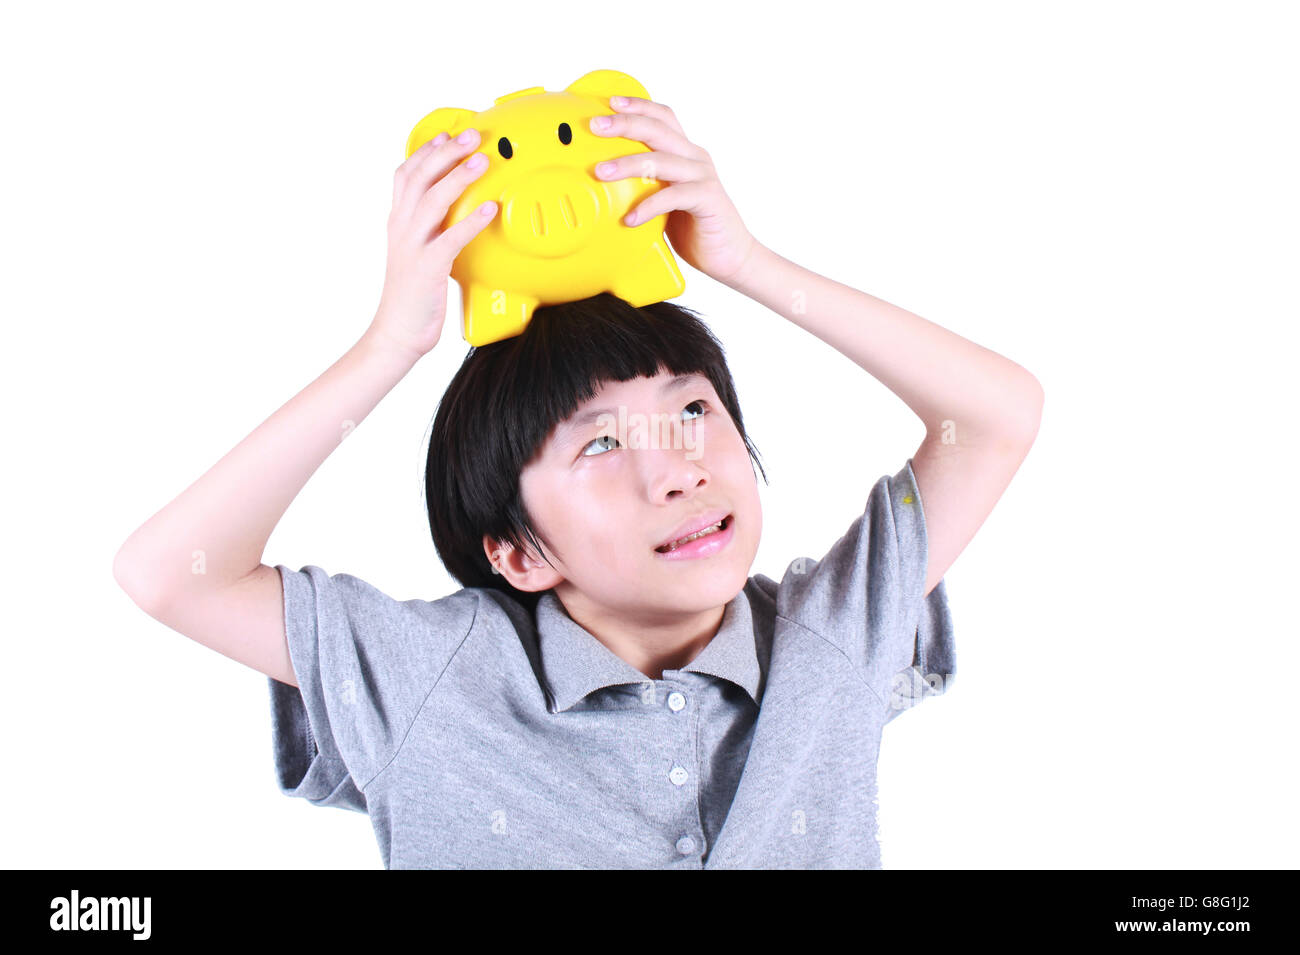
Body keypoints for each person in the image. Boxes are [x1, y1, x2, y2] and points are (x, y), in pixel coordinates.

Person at [113, 95, 1043, 869]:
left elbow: (999, 415)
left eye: (690, 412)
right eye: (599, 445)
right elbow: (170, 574)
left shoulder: (829, 635)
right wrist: (390, 343)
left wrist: (747, 264)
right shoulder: (429, 677)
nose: (677, 469)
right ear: (515, 552)